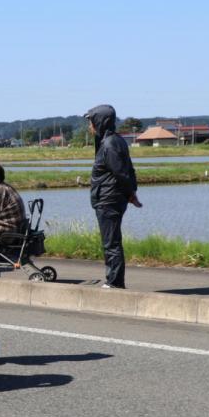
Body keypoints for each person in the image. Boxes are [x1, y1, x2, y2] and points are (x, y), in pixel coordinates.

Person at [86, 104, 141, 289]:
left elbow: (122, 173)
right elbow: (129, 170)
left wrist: (131, 193)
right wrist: (131, 193)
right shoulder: (114, 141)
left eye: (91, 122)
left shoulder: (109, 144)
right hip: (111, 198)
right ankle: (114, 280)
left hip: (109, 200)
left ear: (100, 122)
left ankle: (115, 282)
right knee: (112, 241)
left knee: (111, 243)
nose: (90, 126)